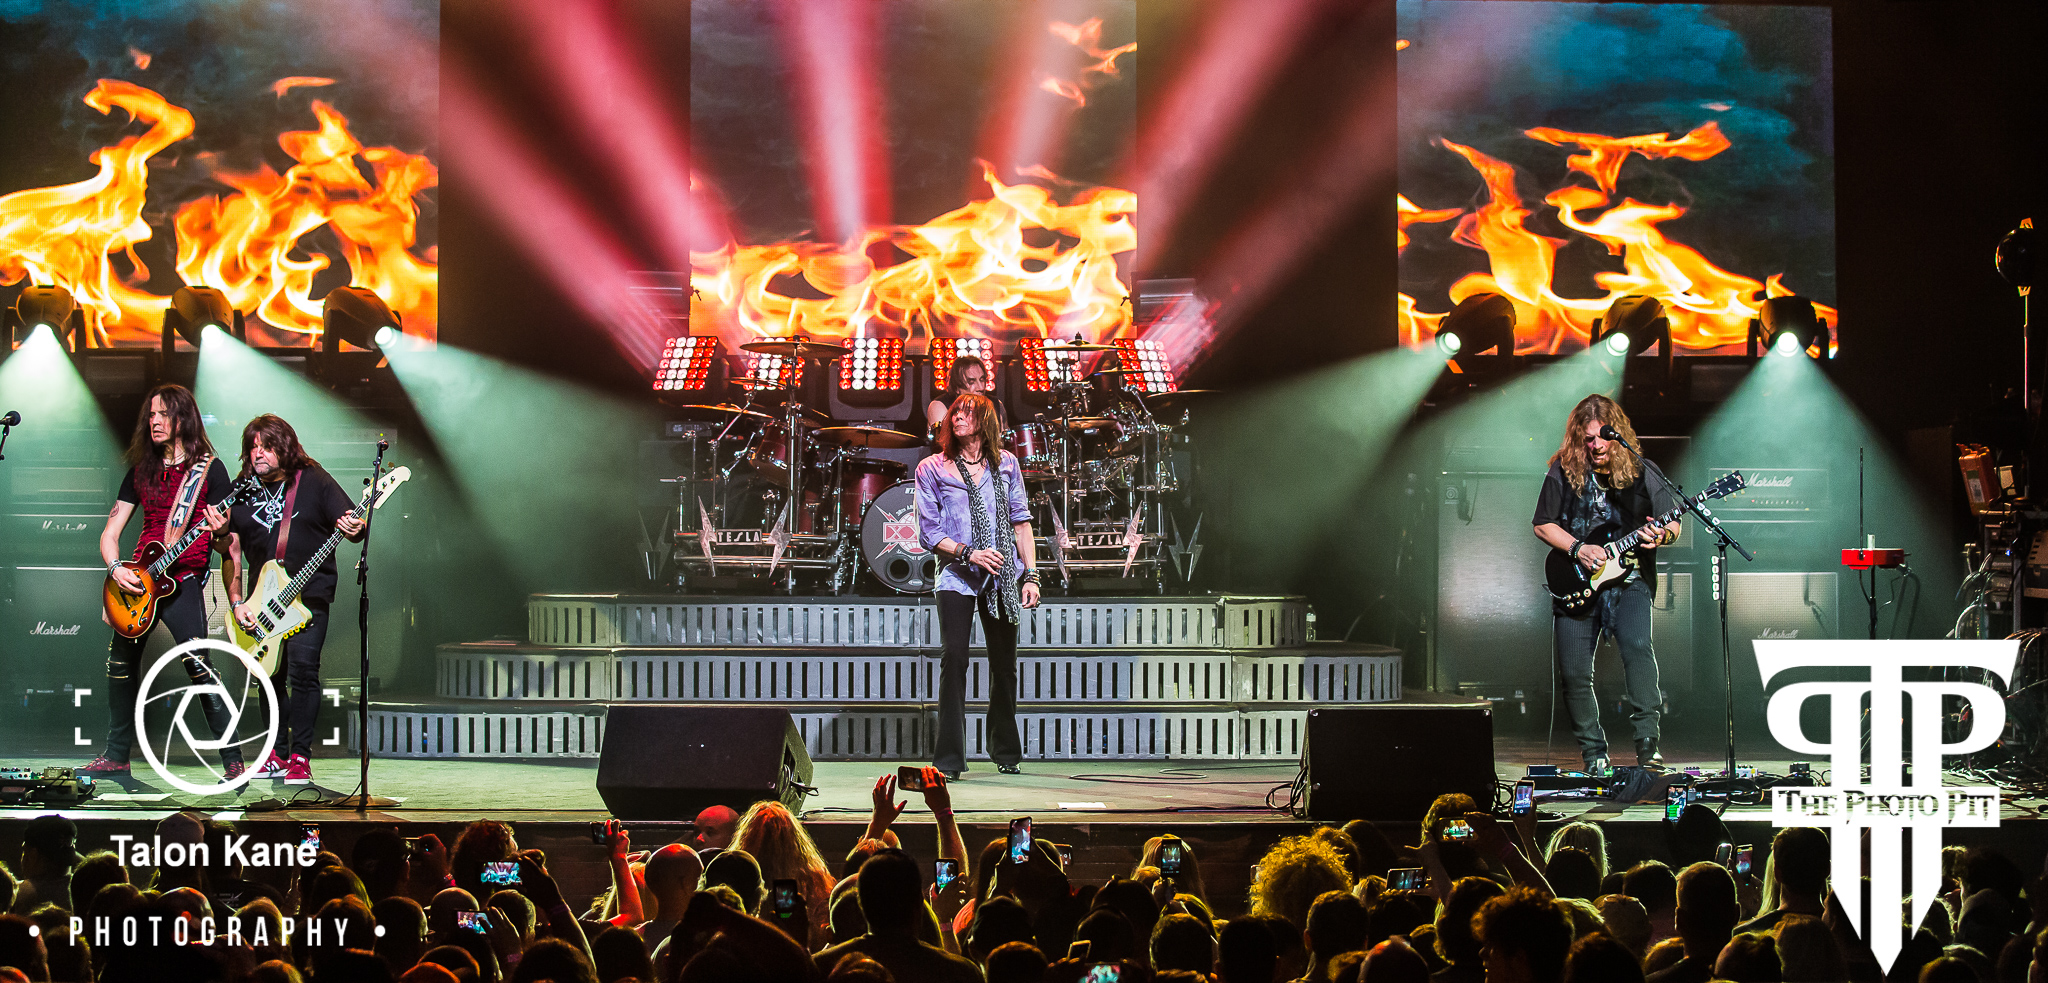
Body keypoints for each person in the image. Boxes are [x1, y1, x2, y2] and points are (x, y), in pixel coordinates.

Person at [85, 383, 244, 778]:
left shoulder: (210, 471)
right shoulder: (140, 471)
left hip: (184, 578)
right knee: (119, 664)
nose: (154, 421)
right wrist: (115, 568)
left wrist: (221, 531)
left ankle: (233, 760)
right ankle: (116, 755)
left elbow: (226, 543)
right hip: (139, 580)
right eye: (151, 414)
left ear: (182, 418)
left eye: (163, 414)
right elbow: (109, 533)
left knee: (199, 664)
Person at [1532, 393, 1680, 775]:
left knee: (1638, 649)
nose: (1596, 445)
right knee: (1575, 673)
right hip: (1576, 579)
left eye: (1603, 436)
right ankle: (1594, 754)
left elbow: (1673, 523)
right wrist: (1578, 548)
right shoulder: (1562, 471)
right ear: (1578, 439)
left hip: (1630, 580)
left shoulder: (1644, 471)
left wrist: (1661, 536)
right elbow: (1542, 524)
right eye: (1588, 439)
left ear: (1618, 434)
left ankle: (1648, 744)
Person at [217, 414, 368, 786]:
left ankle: (300, 756)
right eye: (253, 447)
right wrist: (236, 602)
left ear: (284, 448)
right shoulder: (241, 490)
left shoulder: (313, 479)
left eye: (266, 446)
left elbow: (352, 524)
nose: (258, 453)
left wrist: (356, 527)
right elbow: (230, 552)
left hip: (309, 595)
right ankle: (275, 754)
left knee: (303, 671)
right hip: (262, 602)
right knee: (268, 678)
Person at [915, 392, 1041, 778]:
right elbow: (928, 533)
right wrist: (969, 553)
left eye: (967, 413)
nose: (957, 418)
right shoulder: (932, 467)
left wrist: (1031, 575)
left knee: (1004, 665)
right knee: (955, 659)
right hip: (957, 574)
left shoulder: (1007, 465)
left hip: (1002, 575)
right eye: (955, 413)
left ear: (985, 422)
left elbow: (1021, 522)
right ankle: (949, 760)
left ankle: (1005, 750)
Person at [925, 354, 1002, 436]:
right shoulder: (939, 406)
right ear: (957, 387)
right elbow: (943, 441)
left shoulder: (996, 404)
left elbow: (1005, 440)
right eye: (971, 382)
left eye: (982, 380)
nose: (981, 387)